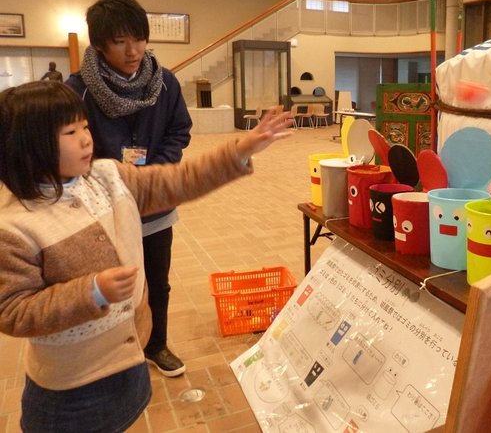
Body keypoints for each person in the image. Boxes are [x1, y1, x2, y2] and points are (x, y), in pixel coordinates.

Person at [0, 81, 292, 432]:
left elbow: (178, 180)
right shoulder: (15, 225)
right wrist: (91, 292)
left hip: (130, 359)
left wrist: (240, 150)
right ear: (29, 145)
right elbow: (13, 310)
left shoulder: (108, 177)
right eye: (70, 131)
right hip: (70, 390)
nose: (85, 139)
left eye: (85, 126)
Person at [66, 0, 193, 377]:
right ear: (100, 45)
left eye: (138, 38)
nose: (133, 49)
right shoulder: (78, 90)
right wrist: (110, 177)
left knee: (157, 280)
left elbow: (179, 131)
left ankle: (157, 344)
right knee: (108, 284)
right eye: (121, 41)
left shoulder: (165, 82)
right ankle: (111, 351)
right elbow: (69, 145)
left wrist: (154, 170)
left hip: (154, 202)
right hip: (102, 208)